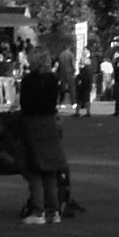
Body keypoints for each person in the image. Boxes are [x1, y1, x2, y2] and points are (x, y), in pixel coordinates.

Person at [16, 48, 68, 226]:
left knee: (35, 170)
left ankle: (38, 211)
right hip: (50, 122)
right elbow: (56, 100)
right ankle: (53, 211)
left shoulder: (29, 80)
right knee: (50, 171)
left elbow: (25, 104)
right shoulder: (53, 79)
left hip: (34, 123)